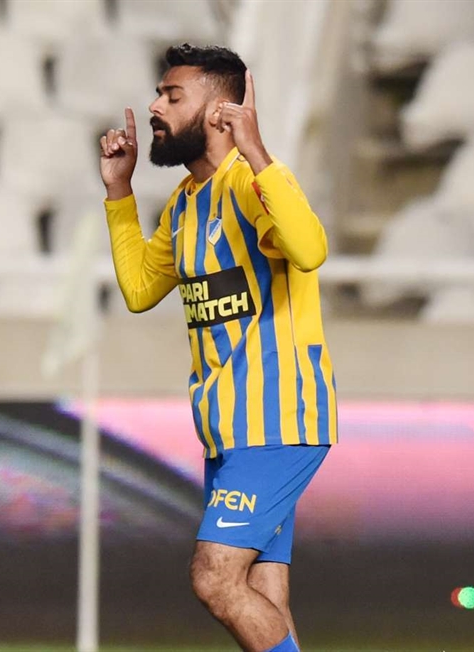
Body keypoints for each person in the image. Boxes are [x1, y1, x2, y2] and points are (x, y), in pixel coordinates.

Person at [98, 44, 337, 652]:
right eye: (159, 93)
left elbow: (310, 250)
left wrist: (256, 151)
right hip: (229, 431)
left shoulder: (255, 184)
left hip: (278, 420)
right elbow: (139, 289)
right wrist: (120, 193)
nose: (155, 107)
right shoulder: (184, 204)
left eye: (172, 96)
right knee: (262, 592)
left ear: (218, 112)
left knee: (213, 577)